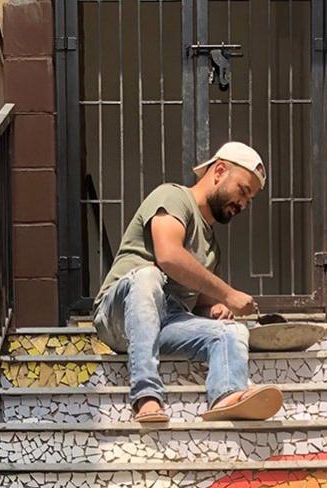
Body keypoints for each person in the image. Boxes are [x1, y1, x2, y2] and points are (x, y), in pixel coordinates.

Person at [92, 141, 283, 427]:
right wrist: (228, 294)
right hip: (118, 315)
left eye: (250, 199)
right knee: (148, 276)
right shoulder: (173, 196)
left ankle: (227, 396)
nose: (243, 204)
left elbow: (197, 298)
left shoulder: (212, 248)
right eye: (243, 191)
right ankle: (146, 395)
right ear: (219, 171)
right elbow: (168, 257)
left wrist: (215, 308)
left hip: (165, 323)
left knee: (229, 332)